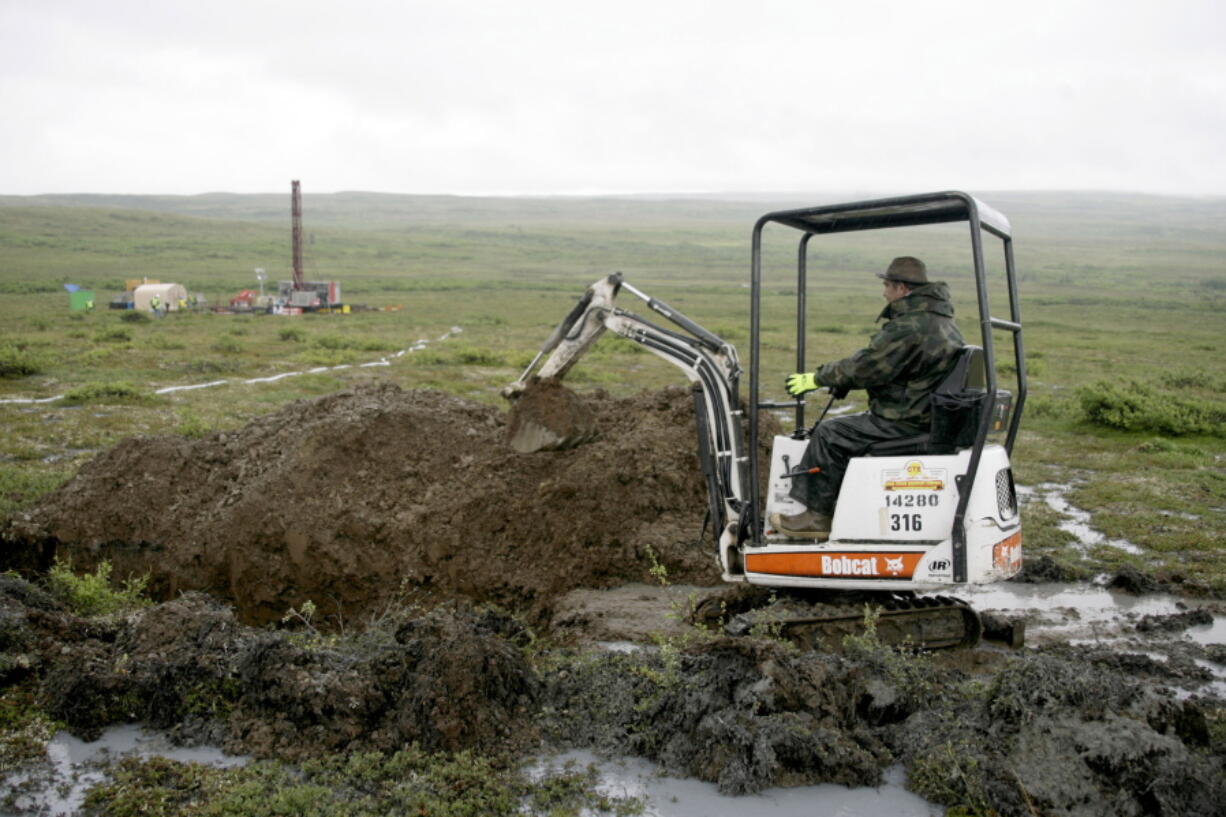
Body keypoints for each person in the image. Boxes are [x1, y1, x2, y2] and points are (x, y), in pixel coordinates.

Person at [771, 256, 965, 539]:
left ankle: (817, 519)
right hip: (926, 414)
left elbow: (867, 365)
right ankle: (839, 505)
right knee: (844, 428)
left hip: (907, 419)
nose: (884, 292)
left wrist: (817, 378)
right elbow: (895, 370)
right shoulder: (941, 321)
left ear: (902, 288)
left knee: (830, 434)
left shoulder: (910, 326)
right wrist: (848, 381)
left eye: (887, 285)